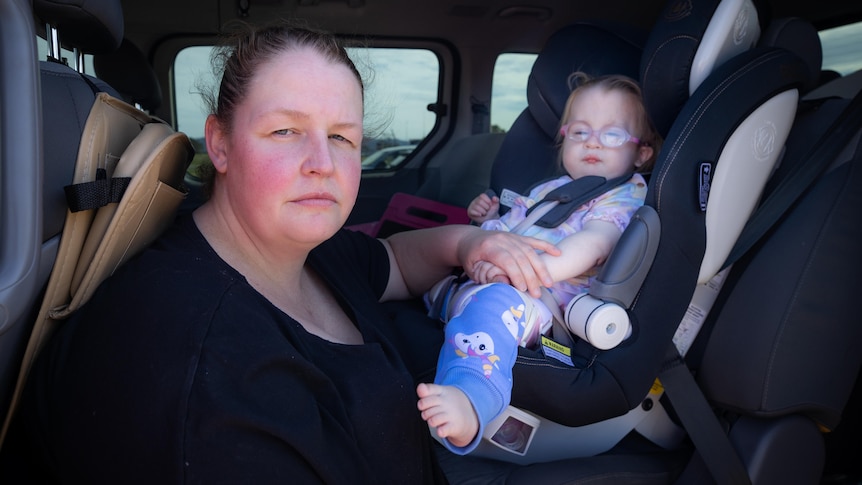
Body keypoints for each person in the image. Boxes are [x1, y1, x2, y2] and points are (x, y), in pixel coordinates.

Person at [8, 21, 561, 484]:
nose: (321, 161)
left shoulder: (304, 251)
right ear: (219, 144)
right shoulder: (204, 385)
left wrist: (472, 241)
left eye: (343, 137)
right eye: (285, 131)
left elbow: (395, 262)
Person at [416, 73, 662, 454]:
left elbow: (593, 244)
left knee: (491, 310)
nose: (592, 141)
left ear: (642, 152)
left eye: (612, 135)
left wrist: (515, 270)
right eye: (579, 132)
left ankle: (471, 399)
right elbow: (515, 231)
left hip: (546, 303)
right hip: (490, 281)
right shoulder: (551, 190)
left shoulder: (624, 196)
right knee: (433, 279)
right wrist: (487, 223)